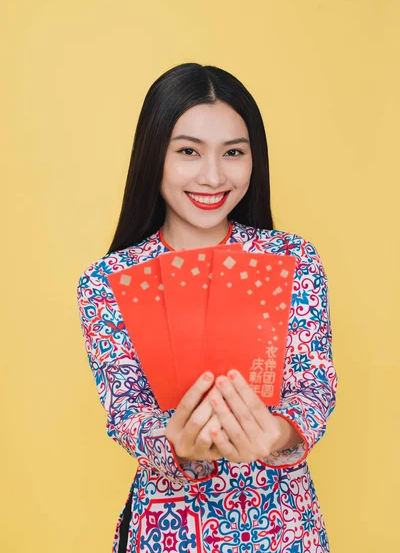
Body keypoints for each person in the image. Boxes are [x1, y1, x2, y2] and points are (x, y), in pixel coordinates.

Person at [76, 62, 338, 553]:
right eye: (188, 152)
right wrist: (174, 443)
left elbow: (314, 384)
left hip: (281, 525)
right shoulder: (106, 283)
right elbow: (124, 409)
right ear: (154, 155)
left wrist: (277, 433)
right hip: (168, 528)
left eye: (233, 153)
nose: (213, 175)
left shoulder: (292, 259)